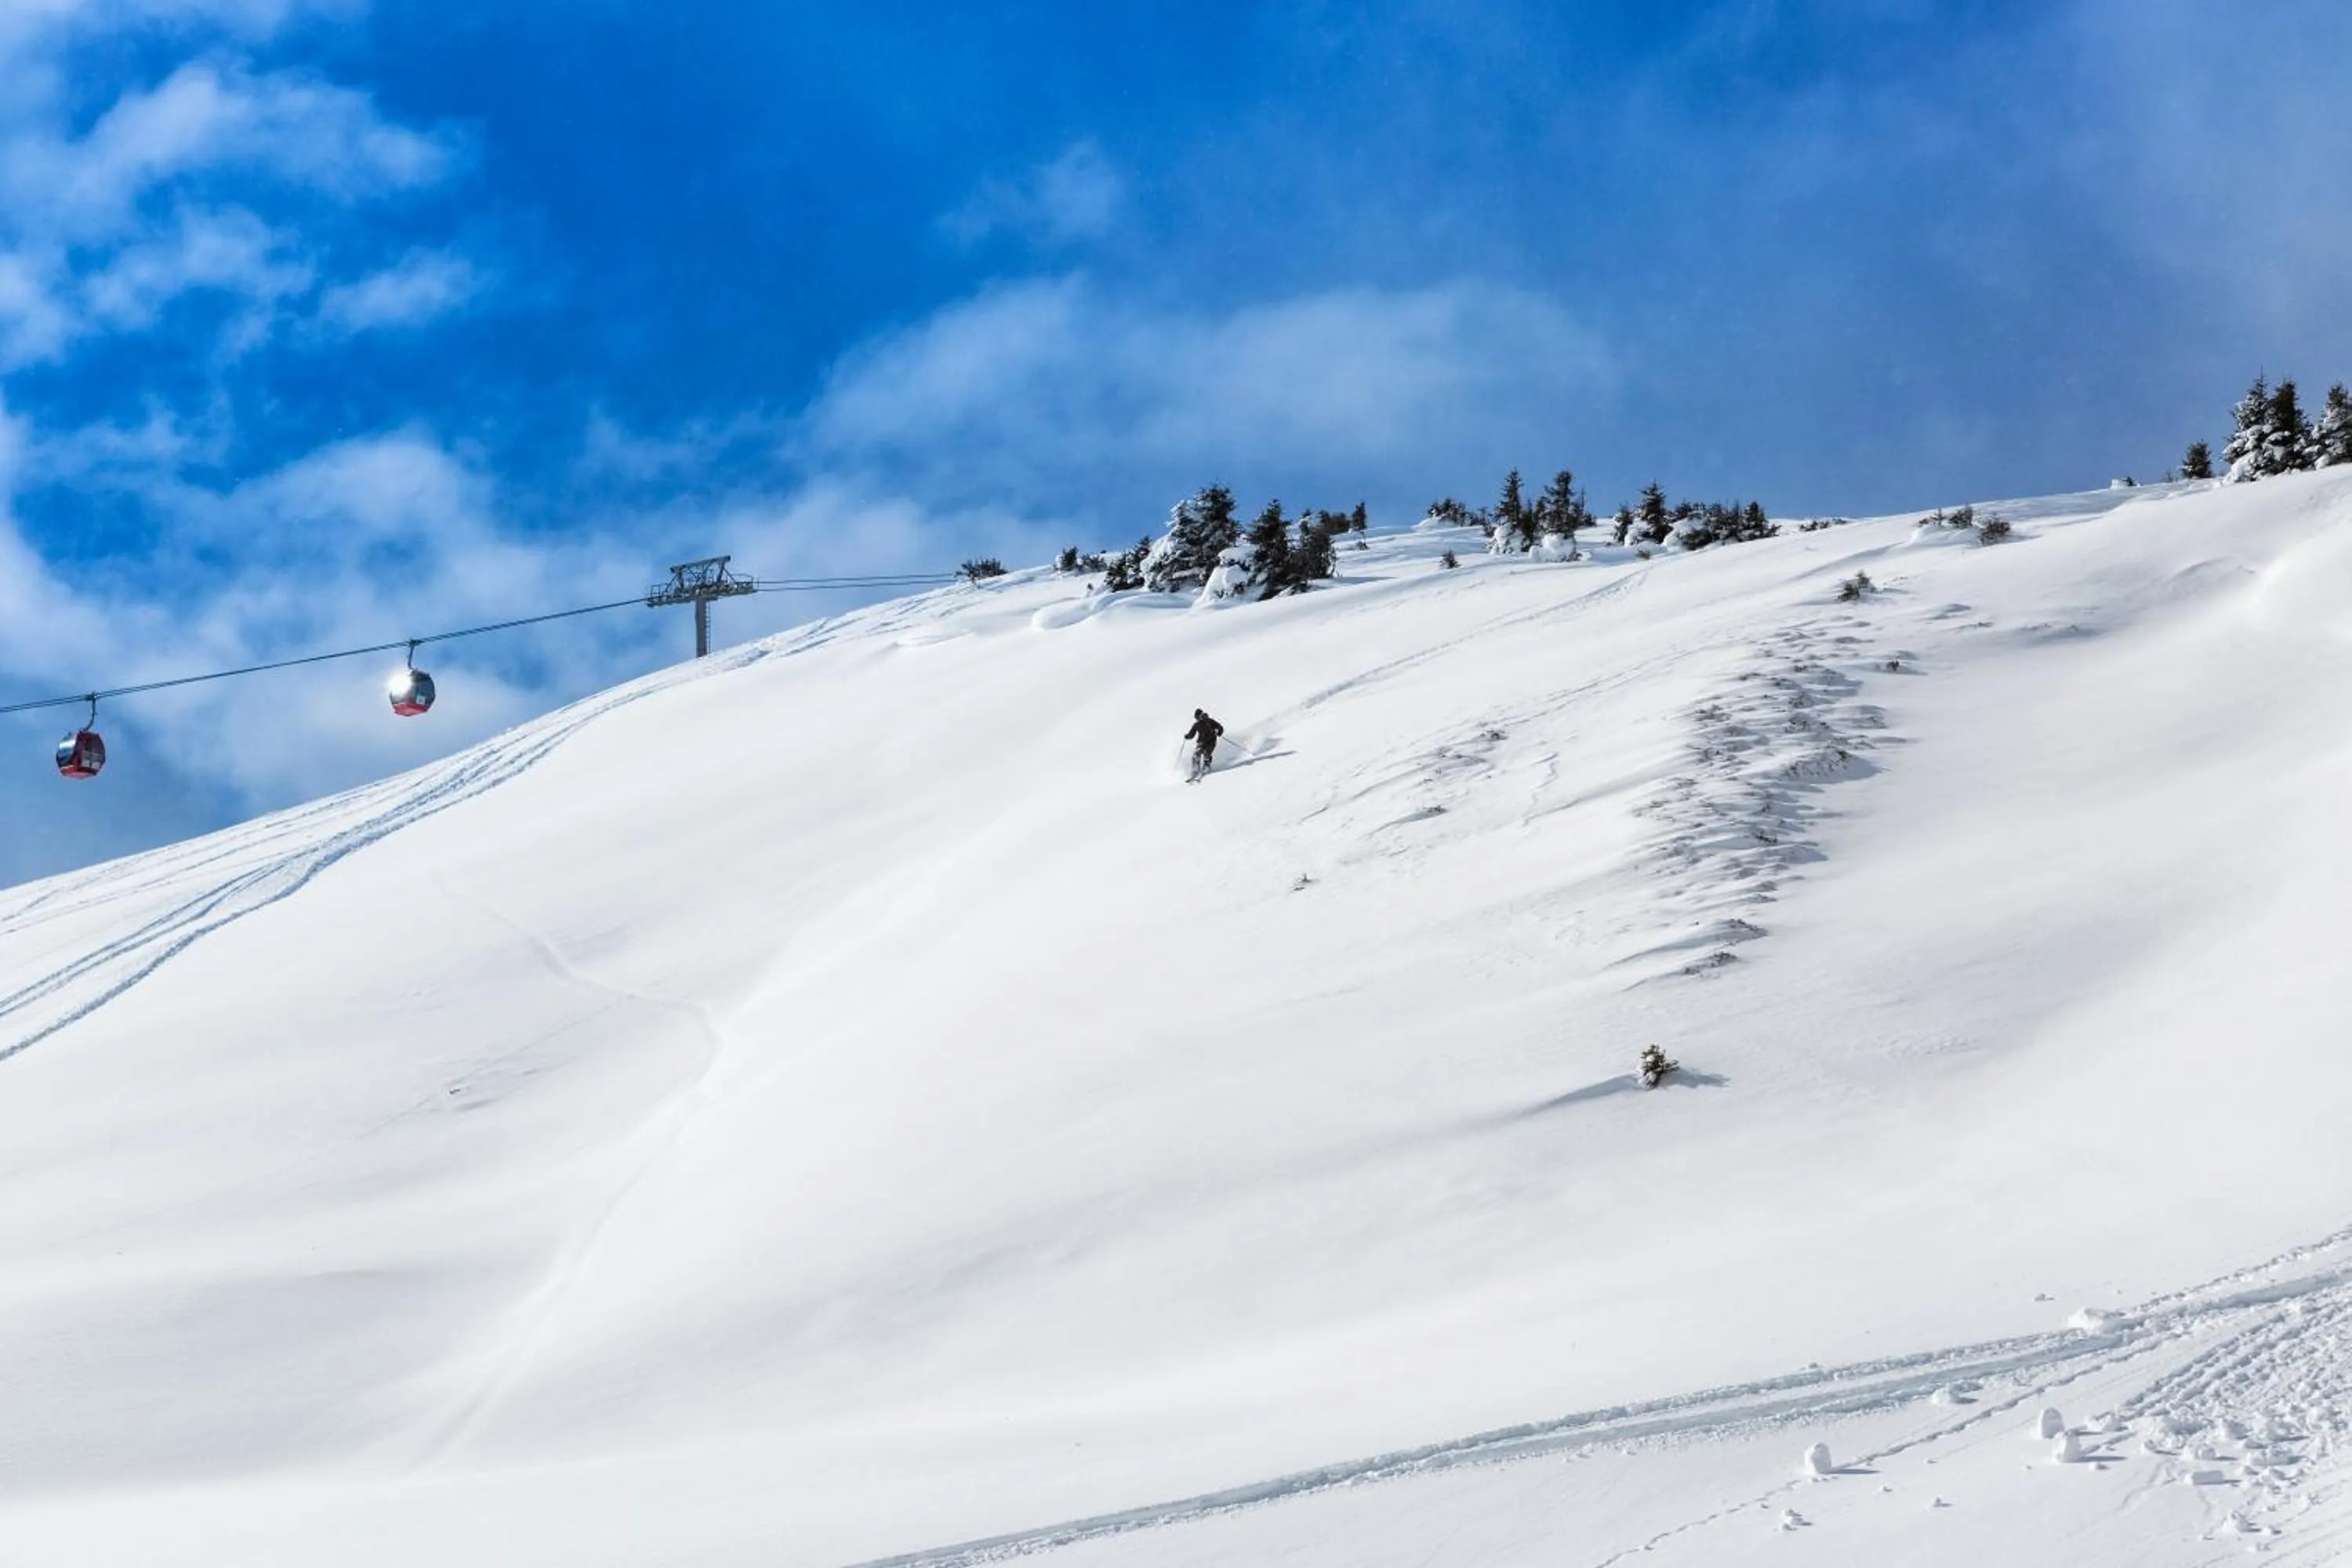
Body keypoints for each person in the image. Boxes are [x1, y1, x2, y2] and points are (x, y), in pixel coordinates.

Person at [1183, 708, 1225, 781]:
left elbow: (1220, 727)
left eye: (1198, 717)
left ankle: (1206, 766)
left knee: (1207, 754)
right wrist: (1187, 736)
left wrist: (1218, 732)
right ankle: (1195, 769)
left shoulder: (1209, 721)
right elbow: (1192, 734)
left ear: (1201, 715)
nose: (1197, 719)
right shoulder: (1196, 724)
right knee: (1196, 754)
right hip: (1201, 742)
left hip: (1211, 741)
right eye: (1196, 717)